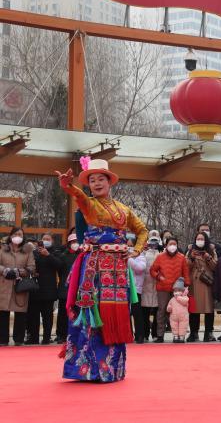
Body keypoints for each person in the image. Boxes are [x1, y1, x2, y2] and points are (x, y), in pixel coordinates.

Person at [56, 159, 147, 382]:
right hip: (94, 267)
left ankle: (112, 369)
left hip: (118, 268)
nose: (96, 183)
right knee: (92, 312)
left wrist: (135, 251)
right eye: (92, 180)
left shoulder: (124, 209)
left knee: (116, 314)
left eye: (101, 179)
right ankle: (89, 369)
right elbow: (79, 196)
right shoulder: (89, 204)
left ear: (109, 182)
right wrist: (69, 186)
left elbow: (142, 231)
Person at [150, 236, 190, 343]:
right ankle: (160, 335)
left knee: (178, 312)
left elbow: (186, 273)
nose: (172, 246)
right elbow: (152, 270)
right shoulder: (160, 257)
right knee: (162, 311)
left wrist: (186, 287)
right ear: (166, 245)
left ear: (177, 245)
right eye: (170, 244)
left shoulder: (182, 257)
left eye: (174, 244)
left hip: (177, 290)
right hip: (163, 288)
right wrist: (159, 277)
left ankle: (177, 335)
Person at [0, 227, 36, 346]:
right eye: (15, 234)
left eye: (20, 234)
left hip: (20, 286)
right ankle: (2, 340)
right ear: (10, 236)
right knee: (2, 313)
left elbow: (31, 267)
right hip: (4, 285)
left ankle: (19, 339)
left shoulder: (27, 251)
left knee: (20, 313)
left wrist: (18, 272)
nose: (17, 236)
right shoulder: (3, 249)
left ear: (23, 236)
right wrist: (5, 270)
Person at [27, 233, 62, 344]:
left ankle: (46, 338)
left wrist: (48, 255)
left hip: (49, 289)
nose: (46, 240)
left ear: (52, 241)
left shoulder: (55, 252)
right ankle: (34, 338)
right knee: (34, 316)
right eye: (44, 239)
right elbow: (30, 265)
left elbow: (59, 265)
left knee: (47, 316)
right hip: (35, 288)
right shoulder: (34, 252)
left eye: (48, 239)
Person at [186, 231, 217, 342]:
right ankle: (194, 333)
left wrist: (208, 257)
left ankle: (208, 332)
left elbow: (215, 267)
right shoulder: (190, 251)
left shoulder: (211, 250)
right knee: (193, 309)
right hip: (194, 283)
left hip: (207, 281)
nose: (200, 241)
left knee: (208, 308)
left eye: (202, 239)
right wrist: (191, 258)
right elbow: (185, 267)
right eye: (198, 239)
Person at [57, 234, 80, 344]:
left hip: (78, 290)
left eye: (77, 241)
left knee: (77, 313)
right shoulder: (63, 256)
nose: (75, 244)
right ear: (69, 243)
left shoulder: (82, 255)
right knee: (63, 313)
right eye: (73, 242)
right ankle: (61, 335)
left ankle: (76, 334)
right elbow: (60, 272)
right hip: (65, 289)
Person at [126, 236, 147, 343]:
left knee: (137, 313)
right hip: (124, 288)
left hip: (136, 289)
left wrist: (129, 259)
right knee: (125, 313)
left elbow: (140, 268)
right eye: (127, 246)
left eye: (131, 246)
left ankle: (140, 335)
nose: (129, 248)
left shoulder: (141, 256)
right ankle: (128, 335)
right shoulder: (122, 256)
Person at [141, 234, 161, 341]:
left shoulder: (161, 254)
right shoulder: (144, 254)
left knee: (157, 313)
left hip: (157, 287)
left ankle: (155, 334)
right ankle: (145, 334)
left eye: (155, 241)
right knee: (145, 312)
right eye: (152, 241)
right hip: (146, 287)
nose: (153, 244)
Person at [167, 278, 190, 343]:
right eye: (175, 291)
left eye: (179, 290)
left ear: (182, 291)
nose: (176, 292)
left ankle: (182, 336)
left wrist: (178, 297)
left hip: (183, 316)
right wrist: (169, 308)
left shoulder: (185, 297)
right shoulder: (172, 299)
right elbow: (169, 306)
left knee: (183, 326)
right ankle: (175, 336)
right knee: (174, 326)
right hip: (174, 316)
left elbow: (185, 302)